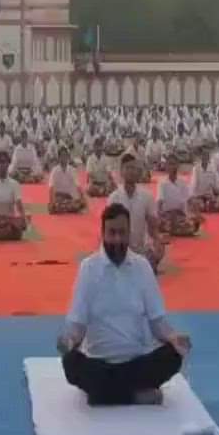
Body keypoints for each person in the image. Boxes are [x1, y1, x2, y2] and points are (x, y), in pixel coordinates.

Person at [56, 203, 191, 406]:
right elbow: (78, 327)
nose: (117, 239)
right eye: (112, 233)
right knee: (71, 363)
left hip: (137, 362)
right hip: (99, 363)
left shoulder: (142, 267)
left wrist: (173, 337)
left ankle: (104, 395)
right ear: (102, 233)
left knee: (173, 356)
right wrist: (68, 341)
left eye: (122, 233)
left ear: (130, 234)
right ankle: (134, 395)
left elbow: (157, 322)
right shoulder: (88, 269)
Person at [107, 153, 165, 271]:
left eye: (134, 168)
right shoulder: (114, 198)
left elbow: (153, 227)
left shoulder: (147, 196)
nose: (132, 171)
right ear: (121, 172)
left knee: (152, 260)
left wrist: (158, 241)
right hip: (120, 248)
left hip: (141, 249)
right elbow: (108, 230)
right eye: (128, 168)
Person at [156, 156, 200, 237]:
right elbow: (159, 201)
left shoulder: (182, 182)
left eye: (173, 164)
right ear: (166, 166)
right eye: (169, 164)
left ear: (177, 166)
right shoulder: (162, 182)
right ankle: (174, 229)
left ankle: (175, 229)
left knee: (190, 224)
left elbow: (189, 199)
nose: (171, 166)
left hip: (180, 215)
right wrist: (159, 215)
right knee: (160, 224)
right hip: (167, 215)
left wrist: (195, 213)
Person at [47, 146, 87, 214]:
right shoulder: (55, 170)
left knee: (79, 204)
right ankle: (66, 208)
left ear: (68, 157)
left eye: (65, 155)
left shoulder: (72, 170)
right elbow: (51, 187)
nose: (64, 158)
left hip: (69, 198)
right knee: (54, 206)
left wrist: (83, 198)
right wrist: (52, 202)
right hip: (58, 198)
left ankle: (65, 208)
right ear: (59, 158)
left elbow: (78, 186)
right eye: (62, 156)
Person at [190, 145, 219, 213]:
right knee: (200, 207)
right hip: (199, 196)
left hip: (209, 196)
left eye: (206, 156)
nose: (205, 157)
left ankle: (211, 206)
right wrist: (191, 196)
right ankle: (206, 207)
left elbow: (218, 182)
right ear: (201, 157)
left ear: (208, 158)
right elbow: (193, 183)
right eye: (203, 155)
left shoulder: (212, 168)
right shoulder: (196, 168)